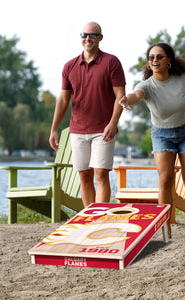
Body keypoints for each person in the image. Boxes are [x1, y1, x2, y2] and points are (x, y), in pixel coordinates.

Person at [119, 43, 185, 238]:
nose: (155, 60)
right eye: (151, 58)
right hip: (162, 135)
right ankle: (165, 227)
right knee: (165, 179)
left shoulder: (182, 80)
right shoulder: (146, 85)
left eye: (159, 57)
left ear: (168, 60)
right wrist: (126, 100)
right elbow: (136, 96)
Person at [49, 22, 126, 208]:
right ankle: (89, 217)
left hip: (103, 129)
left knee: (100, 173)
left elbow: (120, 96)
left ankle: (100, 217)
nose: (88, 38)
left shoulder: (111, 62)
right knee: (84, 175)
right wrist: (53, 130)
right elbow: (63, 100)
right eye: (84, 34)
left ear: (100, 37)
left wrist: (113, 123)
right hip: (78, 130)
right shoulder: (70, 66)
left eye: (93, 35)